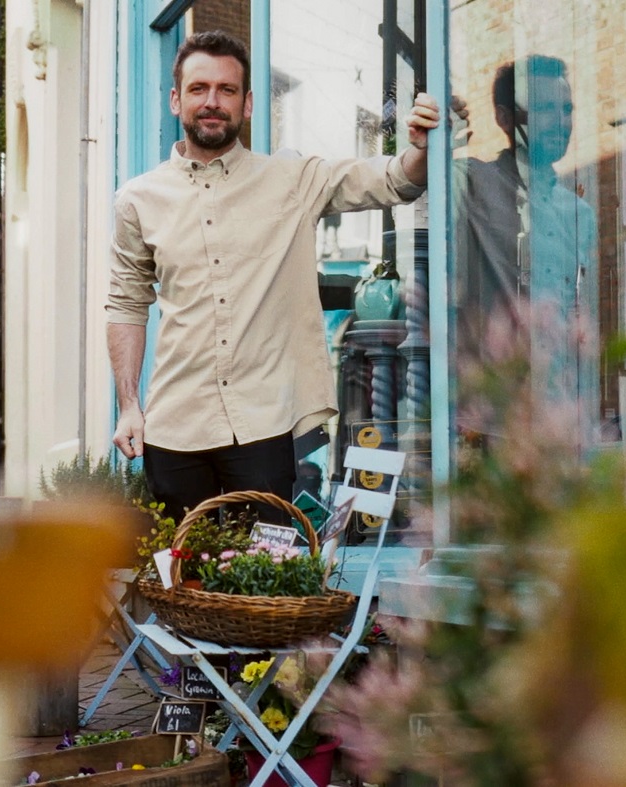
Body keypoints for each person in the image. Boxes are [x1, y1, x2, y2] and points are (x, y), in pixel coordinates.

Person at [107, 30, 440, 523]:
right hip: (174, 427)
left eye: (227, 90)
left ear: (248, 104)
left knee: (267, 583)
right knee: (184, 588)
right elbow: (126, 303)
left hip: (263, 427)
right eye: (199, 89)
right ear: (177, 99)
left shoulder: (292, 180)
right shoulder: (138, 199)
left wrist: (419, 146)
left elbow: (394, 179)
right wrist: (129, 405)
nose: (212, 102)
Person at [453, 54, 598, 442]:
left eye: (566, 109)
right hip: (490, 416)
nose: (561, 122)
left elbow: (580, 311)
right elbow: (420, 187)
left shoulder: (579, 212)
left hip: (560, 414)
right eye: (544, 110)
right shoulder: (471, 183)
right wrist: (443, 137)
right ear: (504, 118)